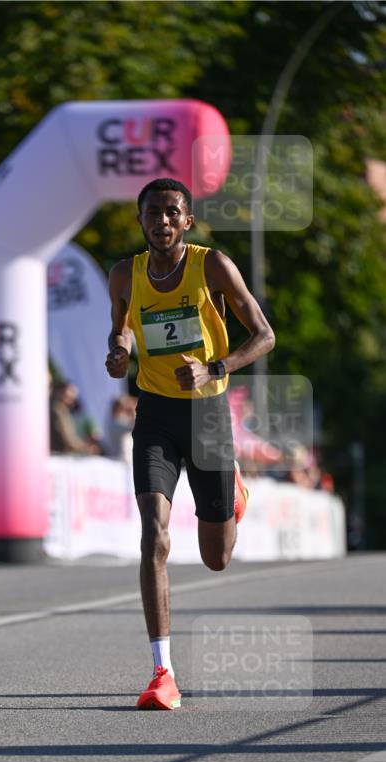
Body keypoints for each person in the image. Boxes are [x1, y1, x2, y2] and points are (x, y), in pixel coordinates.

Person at [105, 178, 275, 710]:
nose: (162, 221)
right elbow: (121, 329)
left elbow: (265, 335)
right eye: (152, 212)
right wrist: (118, 352)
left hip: (207, 415)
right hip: (155, 415)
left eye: (171, 212)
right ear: (140, 220)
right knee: (153, 536)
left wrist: (215, 368)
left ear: (187, 220)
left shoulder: (213, 266)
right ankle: (163, 672)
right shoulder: (124, 274)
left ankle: (232, 495)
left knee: (216, 557)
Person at [49, 381, 100, 455]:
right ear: (60, 391)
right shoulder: (58, 409)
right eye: (71, 391)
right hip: (58, 454)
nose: (74, 396)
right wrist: (85, 447)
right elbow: (68, 439)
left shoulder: (57, 408)